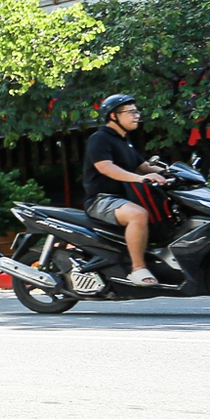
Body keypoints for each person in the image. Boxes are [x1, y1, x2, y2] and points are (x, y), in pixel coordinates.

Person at [83, 94, 171, 285]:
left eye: (136, 111)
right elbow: (106, 167)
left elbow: (144, 166)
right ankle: (138, 269)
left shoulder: (124, 141)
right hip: (102, 200)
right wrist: (140, 179)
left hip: (125, 199)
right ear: (114, 116)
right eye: (131, 112)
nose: (137, 116)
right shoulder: (99, 138)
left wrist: (173, 172)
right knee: (137, 215)